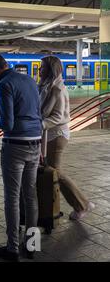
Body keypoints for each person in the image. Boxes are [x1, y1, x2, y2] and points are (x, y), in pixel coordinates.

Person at [0, 53, 42, 261]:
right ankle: (32, 245)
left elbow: (8, 124)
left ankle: (12, 248)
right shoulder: (30, 80)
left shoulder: (4, 84)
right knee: (30, 196)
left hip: (15, 146)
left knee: (12, 198)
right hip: (35, 142)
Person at [38, 55, 95, 220]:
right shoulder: (46, 86)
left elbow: (59, 116)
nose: (39, 70)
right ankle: (76, 205)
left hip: (57, 134)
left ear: (51, 70)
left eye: (42, 67)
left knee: (55, 171)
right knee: (52, 171)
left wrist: (39, 124)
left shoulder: (58, 89)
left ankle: (83, 205)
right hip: (48, 134)